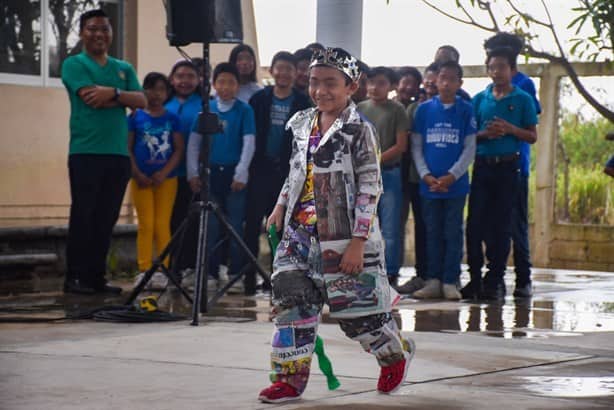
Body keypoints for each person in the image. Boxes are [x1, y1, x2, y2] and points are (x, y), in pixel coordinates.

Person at [258, 48, 414, 404]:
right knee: (291, 304)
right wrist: (281, 206)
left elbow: (371, 187)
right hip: (299, 233)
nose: (321, 90)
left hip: (344, 238)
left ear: (351, 86)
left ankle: (394, 356)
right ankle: (289, 379)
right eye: (314, 82)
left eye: (331, 83)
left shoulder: (361, 131)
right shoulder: (302, 123)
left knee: (360, 316)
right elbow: (297, 172)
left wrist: (358, 242)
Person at [61, 9, 146, 295]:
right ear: (83, 33)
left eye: (104, 29)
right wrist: (122, 97)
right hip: (86, 152)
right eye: (93, 29)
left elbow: (142, 100)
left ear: (111, 34)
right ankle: (75, 278)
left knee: (106, 219)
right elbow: (90, 98)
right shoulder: (74, 64)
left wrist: (112, 93)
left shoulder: (124, 67)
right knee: (84, 216)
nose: (99, 34)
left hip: (118, 155)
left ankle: (96, 277)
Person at [463, 46, 538, 301]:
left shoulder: (522, 98)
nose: (497, 72)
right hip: (483, 165)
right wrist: (486, 134)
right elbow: (469, 134)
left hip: (509, 167)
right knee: (475, 224)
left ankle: (495, 280)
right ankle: (474, 280)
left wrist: (509, 129)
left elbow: (532, 135)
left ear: (512, 70)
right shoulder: (479, 99)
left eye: (502, 67)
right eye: (492, 67)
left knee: (502, 226)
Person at [244, 51, 312, 295]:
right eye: (279, 68)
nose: (283, 73)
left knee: (282, 229)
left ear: (296, 74)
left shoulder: (304, 103)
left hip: (287, 174)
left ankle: (279, 280)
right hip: (259, 171)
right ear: (271, 71)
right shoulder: (259, 100)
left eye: (289, 69)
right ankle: (249, 278)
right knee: (252, 225)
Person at [186, 62, 256, 289]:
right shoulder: (207, 110)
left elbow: (248, 143)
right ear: (214, 84)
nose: (226, 87)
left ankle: (235, 272)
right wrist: (193, 173)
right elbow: (194, 144)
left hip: (234, 174)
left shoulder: (244, 110)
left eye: (231, 82)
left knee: (235, 225)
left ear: (238, 86)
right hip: (211, 174)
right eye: (221, 82)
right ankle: (210, 273)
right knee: (210, 226)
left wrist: (241, 173)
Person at [410, 61, 476, 300]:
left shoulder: (466, 110)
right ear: (435, 81)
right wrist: (425, 175)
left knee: (453, 232)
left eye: (451, 79)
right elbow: (416, 146)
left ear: (460, 83)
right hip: (429, 185)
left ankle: (450, 280)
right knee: (432, 232)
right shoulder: (424, 110)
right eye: (442, 78)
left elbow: (469, 148)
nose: (446, 83)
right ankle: (433, 280)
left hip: (455, 186)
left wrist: (451, 176)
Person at [484, 32, 542, 298]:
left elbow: (529, 126)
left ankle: (523, 278)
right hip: (490, 165)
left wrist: (508, 129)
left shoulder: (523, 85)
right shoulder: (486, 92)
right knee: (491, 226)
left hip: (516, 164)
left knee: (515, 225)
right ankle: (496, 278)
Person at [128, 73, 184, 289]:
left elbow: (178, 149)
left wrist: (164, 172)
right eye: (151, 89)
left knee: (162, 224)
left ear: (167, 92)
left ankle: (162, 270)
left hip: (166, 180)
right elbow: (129, 147)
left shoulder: (172, 119)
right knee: (146, 225)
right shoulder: (135, 118)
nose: (155, 94)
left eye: (160, 89)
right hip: (141, 180)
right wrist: (137, 173)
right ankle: (143, 270)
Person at [358, 66, 409, 286]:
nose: (374, 87)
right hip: (363, 177)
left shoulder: (397, 110)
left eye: (380, 83)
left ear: (391, 86)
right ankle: (366, 270)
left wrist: (375, 160)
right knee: (364, 225)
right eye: (370, 82)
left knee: (389, 227)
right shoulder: (359, 108)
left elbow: (401, 146)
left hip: (389, 174)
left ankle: (390, 273)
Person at [164, 60, 203, 279]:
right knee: (170, 220)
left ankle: (189, 266)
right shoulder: (163, 103)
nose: (185, 81)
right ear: (172, 79)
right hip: (165, 175)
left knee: (191, 222)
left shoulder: (205, 104)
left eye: (190, 76)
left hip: (192, 176)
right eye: (180, 76)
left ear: (198, 81)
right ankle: (169, 265)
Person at [394, 67, 428, 295]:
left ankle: (423, 274)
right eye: (404, 82)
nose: (408, 87)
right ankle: (390, 273)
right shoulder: (386, 107)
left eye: (412, 84)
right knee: (393, 226)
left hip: (417, 176)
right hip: (392, 175)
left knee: (422, 226)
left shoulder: (420, 109)